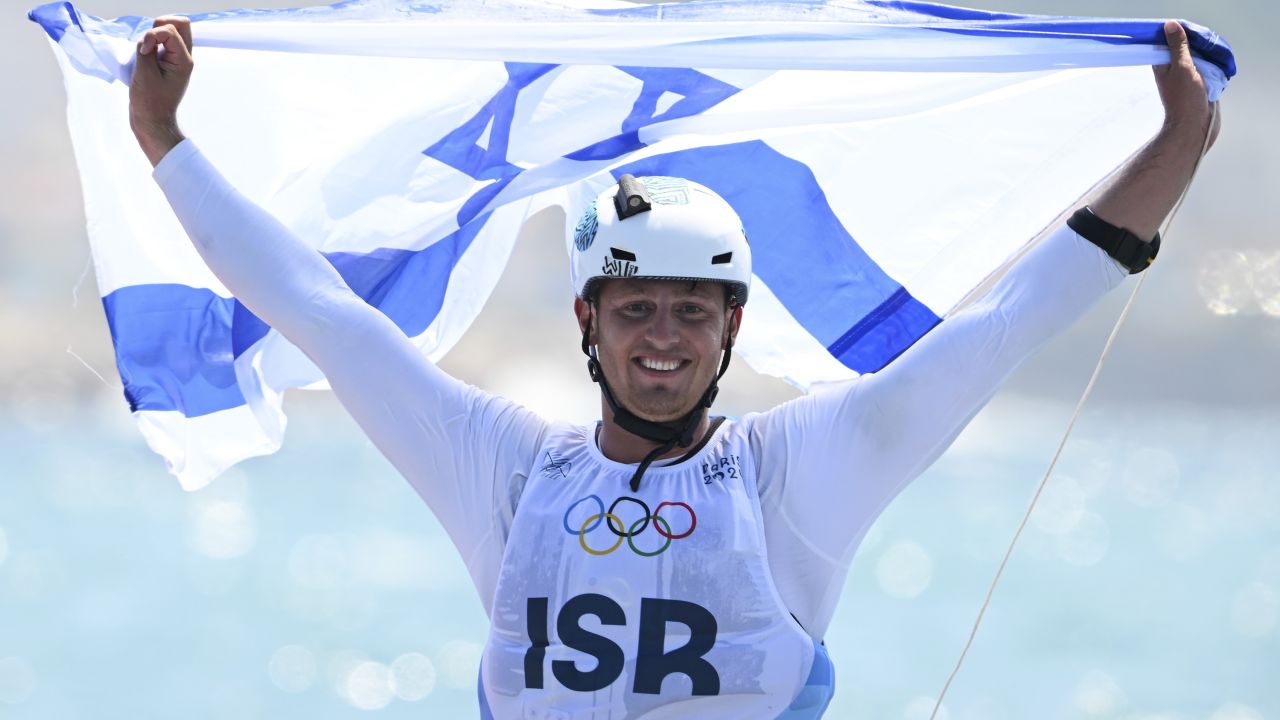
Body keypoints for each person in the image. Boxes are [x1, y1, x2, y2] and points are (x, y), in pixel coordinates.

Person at [129, 15, 1218, 719]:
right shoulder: (501, 466)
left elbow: (1007, 324)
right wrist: (162, 138)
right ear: (586, 325)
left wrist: (1170, 148)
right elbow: (322, 313)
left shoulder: (802, 469)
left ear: (730, 329)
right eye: (636, 308)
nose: (663, 335)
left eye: (690, 311)